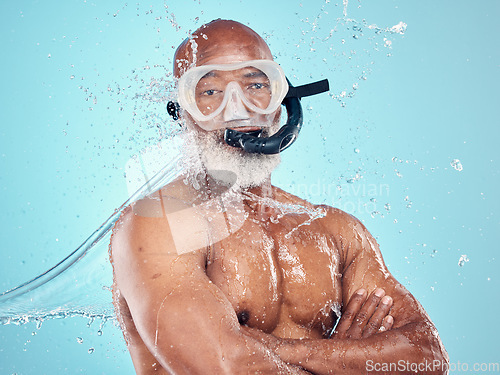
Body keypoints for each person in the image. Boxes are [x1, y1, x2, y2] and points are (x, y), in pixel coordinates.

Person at [110, 19, 448, 374]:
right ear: (183, 113)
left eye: (256, 85)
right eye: (210, 92)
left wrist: (288, 350)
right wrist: (348, 359)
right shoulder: (161, 224)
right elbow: (229, 369)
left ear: (282, 98)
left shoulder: (336, 230)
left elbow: (427, 357)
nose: (237, 109)